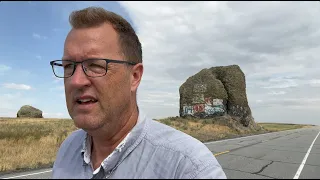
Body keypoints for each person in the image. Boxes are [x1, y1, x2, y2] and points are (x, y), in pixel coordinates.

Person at [51, 6, 227, 179]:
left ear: (134, 77)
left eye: (96, 66)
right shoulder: (68, 149)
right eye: (68, 67)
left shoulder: (189, 168)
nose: (76, 81)